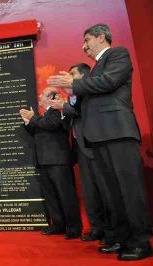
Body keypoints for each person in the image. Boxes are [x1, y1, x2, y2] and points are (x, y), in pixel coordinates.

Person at [47, 23, 153, 260]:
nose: (84, 47)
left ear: (101, 37)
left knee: (129, 190)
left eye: (87, 41)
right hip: (96, 137)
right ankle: (122, 238)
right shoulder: (94, 71)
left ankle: (141, 242)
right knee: (112, 193)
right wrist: (72, 94)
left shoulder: (118, 55)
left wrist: (73, 85)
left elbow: (109, 83)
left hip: (117, 132)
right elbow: (81, 106)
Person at [49, 63, 107, 243]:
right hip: (81, 150)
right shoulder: (72, 97)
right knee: (89, 193)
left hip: (95, 146)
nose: (68, 77)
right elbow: (69, 124)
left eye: (72, 74)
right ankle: (97, 228)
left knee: (104, 190)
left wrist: (64, 106)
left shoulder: (91, 93)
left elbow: (81, 112)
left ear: (84, 76)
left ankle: (112, 230)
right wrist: (64, 106)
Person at [20, 87, 82, 239]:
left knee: (66, 195)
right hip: (44, 160)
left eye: (42, 94)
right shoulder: (44, 115)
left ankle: (73, 229)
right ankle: (58, 225)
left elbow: (51, 124)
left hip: (58, 161)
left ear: (52, 98)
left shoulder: (57, 111)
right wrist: (28, 122)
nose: (39, 96)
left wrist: (33, 118)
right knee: (51, 196)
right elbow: (38, 132)